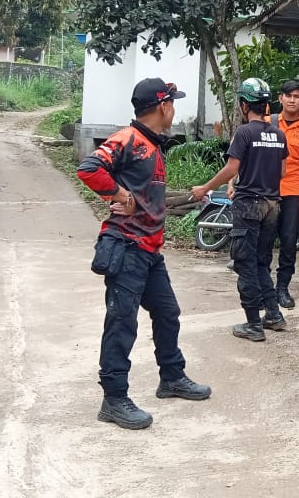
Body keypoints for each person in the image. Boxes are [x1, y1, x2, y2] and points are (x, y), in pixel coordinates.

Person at [77, 77, 211, 430]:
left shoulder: (152, 145)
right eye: (173, 103)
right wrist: (120, 196)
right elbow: (88, 169)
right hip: (126, 247)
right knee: (122, 324)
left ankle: (171, 377)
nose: (174, 110)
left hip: (150, 250)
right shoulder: (129, 140)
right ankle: (114, 398)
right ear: (163, 106)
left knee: (168, 313)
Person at [192, 78, 289, 341]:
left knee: (245, 263)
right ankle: (274, 314)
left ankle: (253, 325)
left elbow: (232, 168)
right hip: (272, 205)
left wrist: (205, 188)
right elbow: (282, 171)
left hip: (248, 205)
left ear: (245, 105)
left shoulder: (244, 133)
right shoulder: (279, 135)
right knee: (261, 262)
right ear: (267, 104)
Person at [271, 80, 299, 309]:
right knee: (263, 241)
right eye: (287, 95)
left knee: (288, 242)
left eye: (296, 96)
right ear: (280, 98)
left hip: (294, 193)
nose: (291, 100)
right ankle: (264, 289)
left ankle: (282, 288)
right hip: (267, 191)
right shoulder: (268, 123)